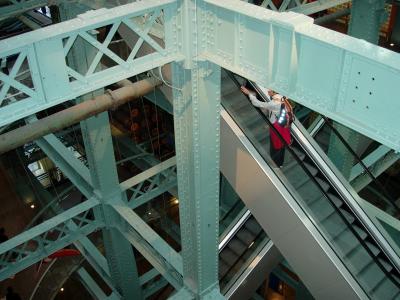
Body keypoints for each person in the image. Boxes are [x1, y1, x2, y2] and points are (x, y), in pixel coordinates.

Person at [241, 86, 293, 167]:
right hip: (284, 125)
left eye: (270, 90)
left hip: (277, 127)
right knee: (282, 144)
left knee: (275, 145)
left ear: (275, 92)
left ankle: (276, 164)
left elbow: (257, 103)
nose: (268, 91)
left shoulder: (275, 103)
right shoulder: (283, 97)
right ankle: (280, 163)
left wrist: (249, 94)